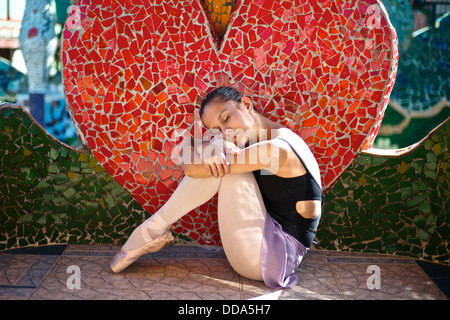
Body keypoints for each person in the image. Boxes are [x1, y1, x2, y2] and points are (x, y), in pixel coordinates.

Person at [110, 86, 323, 289]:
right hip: (257, 241)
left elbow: (192, 168)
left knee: (222, 165)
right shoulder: (259, 138)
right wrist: (211, 147)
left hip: (268, 259)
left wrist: (210, 149)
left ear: (246, 104)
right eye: (216, 129)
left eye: (226, 119)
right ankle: (154, 229)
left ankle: (152, 229)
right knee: (221, 155)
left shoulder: (277, 149)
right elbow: (194, 152)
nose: (226, 131)